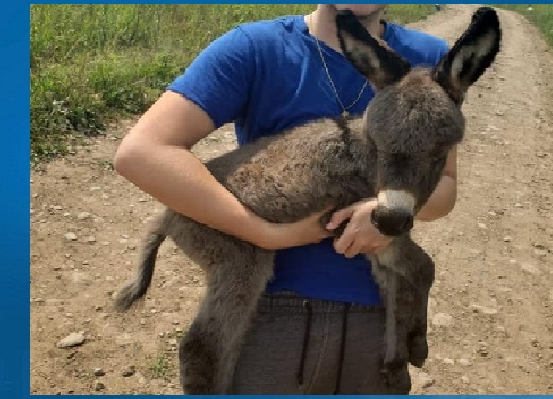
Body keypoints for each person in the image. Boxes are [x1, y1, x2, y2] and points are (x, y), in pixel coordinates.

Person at [114, 4, 457, 394]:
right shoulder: (256, 48)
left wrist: (389, 214)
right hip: (271, 317)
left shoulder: (430, 60)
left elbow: (443, 183)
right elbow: (140, 153)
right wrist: (263, 234)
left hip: (372, 321)